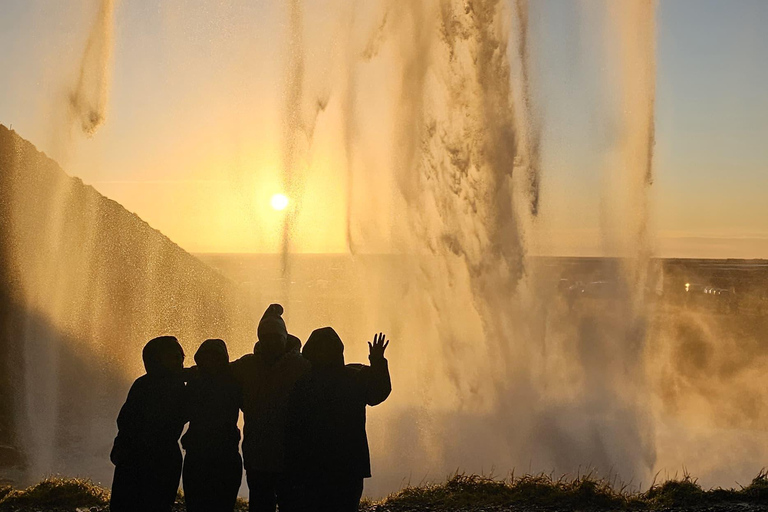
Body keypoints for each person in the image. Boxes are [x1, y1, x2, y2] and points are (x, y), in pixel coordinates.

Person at [287, 329, 392, 512]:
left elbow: (293, 427)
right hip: (346, 464)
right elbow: (379, 392)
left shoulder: (304, 383)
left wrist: (378, 362)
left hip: (316, 465)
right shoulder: (354, 377)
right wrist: (377, 362)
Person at [231, 304, 311, 512]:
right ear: (260, 339)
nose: (271, 342)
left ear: (285, 337)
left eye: (276, 336)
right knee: (260, 503)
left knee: (291, 503)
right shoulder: (247, 366)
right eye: (266, 337)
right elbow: (217, 371)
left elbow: (332, 372)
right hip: (258, 454)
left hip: (290, 454)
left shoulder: (302, 366)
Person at [110, 336, 186, 512]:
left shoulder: (147, 384)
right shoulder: (166, 386)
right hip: (146, 459)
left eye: (181, 356)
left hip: (149, 458)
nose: (180, 360)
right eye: (175, 356)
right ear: (158, 359)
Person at [182, 339, 243, 512]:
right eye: (206, 358)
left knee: (220, 504)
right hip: (200, 454)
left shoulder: (232, 382)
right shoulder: (198, 381)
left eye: (215, 358)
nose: (210, 362)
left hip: (222, 455)